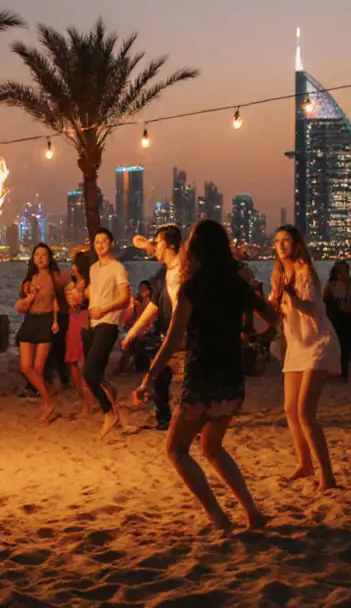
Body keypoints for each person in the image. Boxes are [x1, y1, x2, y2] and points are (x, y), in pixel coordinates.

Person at [135, 219, 278, 532]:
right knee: (212, 448)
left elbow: (173, 340)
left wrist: (148, 378)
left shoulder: (192, 289)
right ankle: (252, 513)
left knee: (175, 449)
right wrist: (250, 332)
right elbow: (272, 319)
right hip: (231, 378)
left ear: (194, 249)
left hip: (202, 377)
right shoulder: (236, 284)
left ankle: (218, 517)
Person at [272, 226, 342, 489]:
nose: (280, 245)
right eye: (277, 241)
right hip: (296, 345)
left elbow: (313, 310)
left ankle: (328, 476)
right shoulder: (279, 275)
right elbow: (276, 309)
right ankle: (304, 464)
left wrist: (292, 298)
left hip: (318, 343)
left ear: (297, 246)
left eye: (286, 241)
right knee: (290, 409)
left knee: (305, 412)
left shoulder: (305, 273)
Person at [122, 226, 183, 431]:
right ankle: (164, 417)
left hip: (186, 334)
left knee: (191, 382)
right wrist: (132, 333)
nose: (155, 247)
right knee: (158, 375)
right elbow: (154, 305)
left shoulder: (186, 269)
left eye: (159, 243)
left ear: (169, 244)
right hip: (168, 332)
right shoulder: (162, 275)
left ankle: (196, 423)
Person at [83, 228, 131, 438]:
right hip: (92, 323)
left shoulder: (117, 268)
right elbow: (95, 293)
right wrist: (80, 295)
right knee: (96, 374)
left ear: (111, 244)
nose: (100, 244)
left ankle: (108, 412)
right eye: (96, 241)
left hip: (109, 324)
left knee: (89, 372)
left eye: (104, 241)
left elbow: (124, 298)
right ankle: (113, 405)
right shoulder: (93, 269)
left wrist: (105, 309)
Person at [14, 243, 66, 425]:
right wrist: (29, 298)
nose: (41, 258)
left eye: (44, 255)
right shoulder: (28, 281)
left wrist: (55, 321)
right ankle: (48, 401)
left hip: (46, 322)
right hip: (30, 321)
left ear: (49, 258)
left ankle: (46, 403)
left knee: (38, 368)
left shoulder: (54, 277)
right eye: (37, 255)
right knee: (25, 367)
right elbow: (19, 307)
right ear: (33, 259)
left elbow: (57, 301)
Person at [65, 250, 95, 417]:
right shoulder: (74, 285)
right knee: (73, 362)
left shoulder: (87, 286)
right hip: (74, 321)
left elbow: (80, 303)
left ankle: (88, 403)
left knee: (81, 363)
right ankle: (85, 398)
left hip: (81, 321)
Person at [322, 260, 351, 382]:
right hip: (334, 318)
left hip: (347, 319)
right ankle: (335, 370)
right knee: (334, 345)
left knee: (345, 345)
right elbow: (325, 302)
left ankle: (343, 372)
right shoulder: (331, 287)